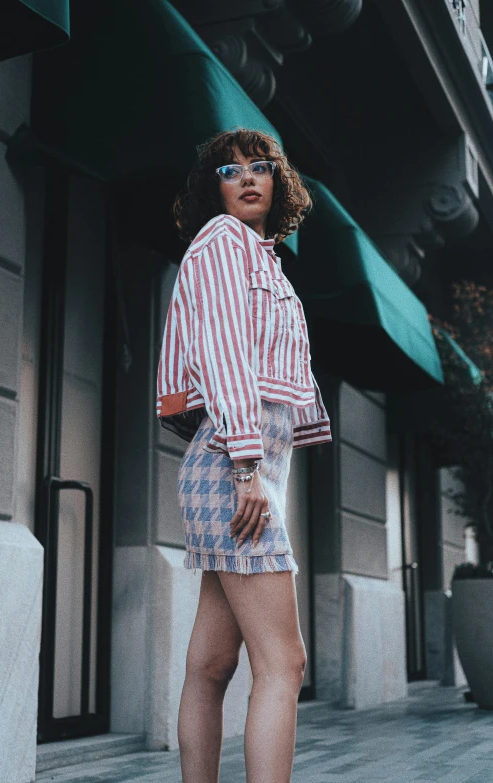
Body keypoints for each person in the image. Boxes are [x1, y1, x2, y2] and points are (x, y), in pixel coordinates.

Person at [156, 128, 332, 783]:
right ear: (215, 187)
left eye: (261, 166)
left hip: (239, 467)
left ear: (278, 181)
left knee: (212, 664)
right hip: (236, 469)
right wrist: (248, 468)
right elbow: (227, 357)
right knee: (284, 662)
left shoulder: (264, 259)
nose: (249, 177)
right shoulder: (223, 243)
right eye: (232, 171)